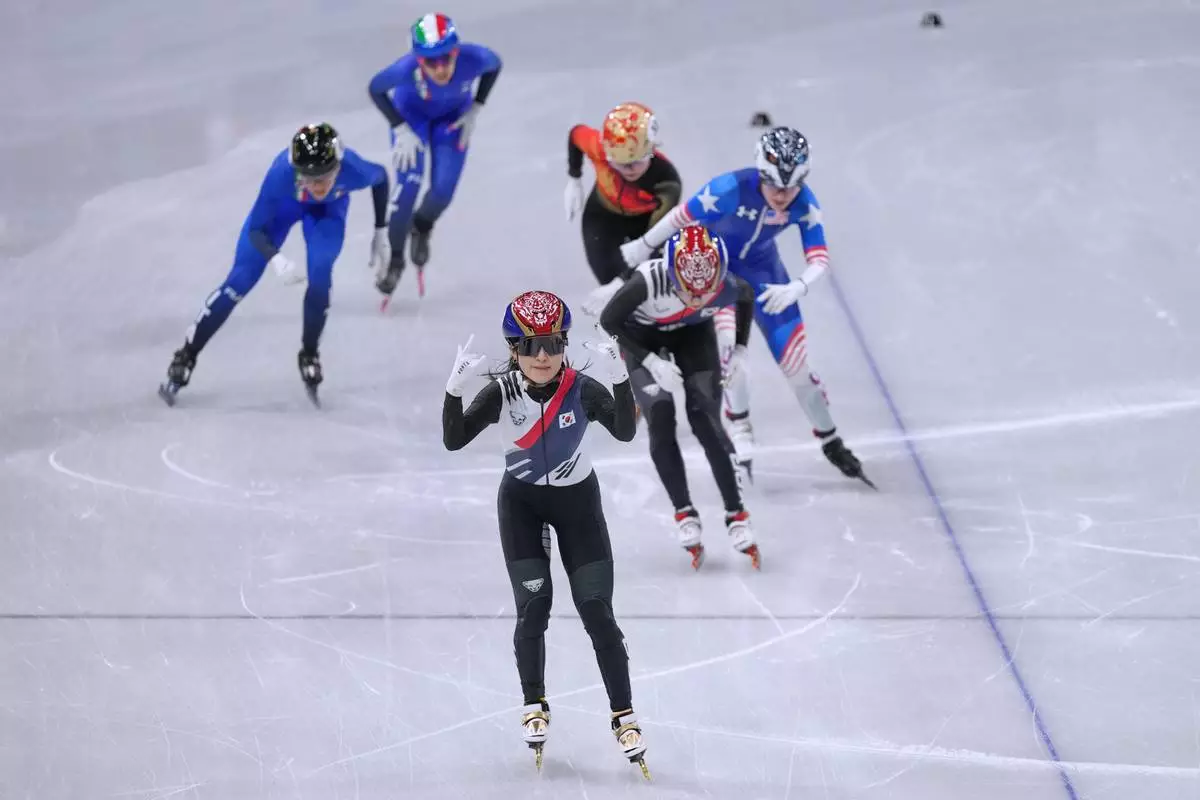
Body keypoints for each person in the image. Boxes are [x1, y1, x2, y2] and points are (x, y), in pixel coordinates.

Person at [441, 290, 650, 778]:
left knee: (597, 611)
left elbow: (625, 432)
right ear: (513, 349)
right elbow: (454, 440)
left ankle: (624, 714)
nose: (543, 356)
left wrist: (620, 378)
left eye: (554, 344)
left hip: (579, 508)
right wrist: (454, 390)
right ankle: (533, 702)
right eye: (532, 345)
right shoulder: (503, 392)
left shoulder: (581, 388)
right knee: (534, 607)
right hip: (523, 508)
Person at [615, 126, 873, 487]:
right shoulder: (728, 189)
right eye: (774, 186)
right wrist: (644, 245)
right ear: (761, 174)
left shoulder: (805, 202)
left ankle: (831, 441)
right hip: (720, 280)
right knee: (729, 354)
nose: (782, 196)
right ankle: (740, 426)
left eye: (791, 188)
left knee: (798, 370)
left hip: (769, 282)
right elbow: (681, 217)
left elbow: (819, 258)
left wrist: (797, 287)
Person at [158, 122, 389, 407]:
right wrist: (275, 258)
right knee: (239, 281)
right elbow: (257, 230)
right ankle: (187, 354)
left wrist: (381, 230)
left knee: (320, 275)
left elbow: (381, 179)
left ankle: (309, 353)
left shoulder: (353, 169)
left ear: (339, 167)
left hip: (328, 213)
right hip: (283, 208)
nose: (317, 187)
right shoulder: (281, 173)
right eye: (308, 178)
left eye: (324, 178)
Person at [599, 226, 760, 569]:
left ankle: (736, 513)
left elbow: (747, 297)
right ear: (672, 275)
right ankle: (684, 511)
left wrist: (741, 350)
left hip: (694, 338)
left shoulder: (726, 284)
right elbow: (608, 320)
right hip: (642, 338)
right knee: (659, 417)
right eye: (689, 291)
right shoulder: (647, 282)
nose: (698, 298)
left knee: (706, 419)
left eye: (706, 291)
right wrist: (650, 361)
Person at [368, 12, 501, 305]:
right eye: (431, 62)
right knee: (407, 192)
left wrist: (477, 107)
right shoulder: (404, 69)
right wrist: (399, 127)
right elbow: (376, 89)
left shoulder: (476, 58)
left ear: (456, 51)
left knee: (442, 191)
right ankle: (396, 259)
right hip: (411, 120)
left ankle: (422, 225)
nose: (440, 68)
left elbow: (496, 65)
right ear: (418, 59)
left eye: (446, 58)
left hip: (453, 120)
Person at [564, 102, 682, 315]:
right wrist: (574, 178)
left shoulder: (667, 183)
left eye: (637, 160)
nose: (629, 169)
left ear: (652, 149)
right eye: (619, 162)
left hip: (646, 224)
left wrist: (622, 280)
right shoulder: (598, 147)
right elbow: (575, 134)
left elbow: (655, 241)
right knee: (609, 280)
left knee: (640, 284)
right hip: (602, 216)